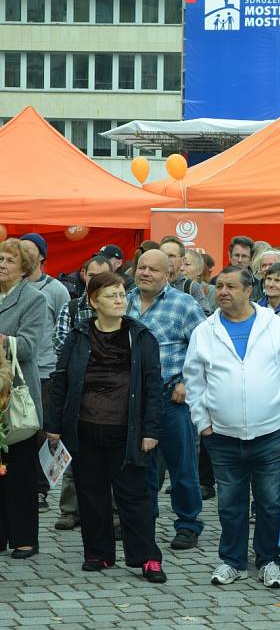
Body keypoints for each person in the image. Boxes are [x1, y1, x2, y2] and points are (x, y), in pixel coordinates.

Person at [183, 266, 280, 587]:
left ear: (248, 291)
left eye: (230, 286)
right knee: (230, 503)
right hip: (222, 434)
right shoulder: (205, 330)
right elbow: (194, 380)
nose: (222, 292)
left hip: (269, 431)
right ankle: (232, 561)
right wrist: (202, 422)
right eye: (219, 286)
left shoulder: (273, 325)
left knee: (270, 502)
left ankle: (269, 559)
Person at [46, 272, 166, 583]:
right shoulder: (78, 335)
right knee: (91, 494)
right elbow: (61, 381)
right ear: (93, 301)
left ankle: (147, 557)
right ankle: (98, 553)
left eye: (121, 294)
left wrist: (151, 430)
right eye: (111, 295)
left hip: (127, 431)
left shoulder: (141, 337)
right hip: (84, 428)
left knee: (134, 496)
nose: (118, 300)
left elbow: (153, 387)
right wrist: (54, 424)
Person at [127, 249, 206, 550]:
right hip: (136, 398)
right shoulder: (124, 301)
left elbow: (204, 350)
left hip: (172, 395)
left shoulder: (184, 305)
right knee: (140, 464)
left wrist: (187, 381)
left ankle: (188, 524)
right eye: (142, 267)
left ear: (169, 275)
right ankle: (144, 520)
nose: (145, 273)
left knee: (181, 465)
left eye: (154, 270)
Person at [52, 255, 112, 531]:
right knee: (73, 451)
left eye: (104, 276)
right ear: (84, 275)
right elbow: (61, 345)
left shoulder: (118, 307)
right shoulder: (72, 307)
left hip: (110, 395)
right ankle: (69, 509)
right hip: (77, 392)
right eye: (92, 275)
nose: (97, 281)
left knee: (109, 457)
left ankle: (110, 511)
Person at [0, 238, 47, 559]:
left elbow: (29, 347)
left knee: (19, 470)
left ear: (24, 268)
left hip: (16, 395)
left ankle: (24, 538)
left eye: (8, 260)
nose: (1, 264)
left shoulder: (34, 299)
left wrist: (2, 339)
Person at [20, 233, 70, 513]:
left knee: (41, 432)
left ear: (41, 256)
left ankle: (40, 489)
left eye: (29, 250)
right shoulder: (9, 289)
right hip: (13, 369)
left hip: (46, 370)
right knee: (16, 430)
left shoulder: (56, 290)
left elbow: (62, 330)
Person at [159, 237, 211, 316]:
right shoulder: (151, 282)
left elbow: (205, 315)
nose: (166, 259)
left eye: (171, 256)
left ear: (183, 260)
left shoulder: (191, 287)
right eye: (163, 255)